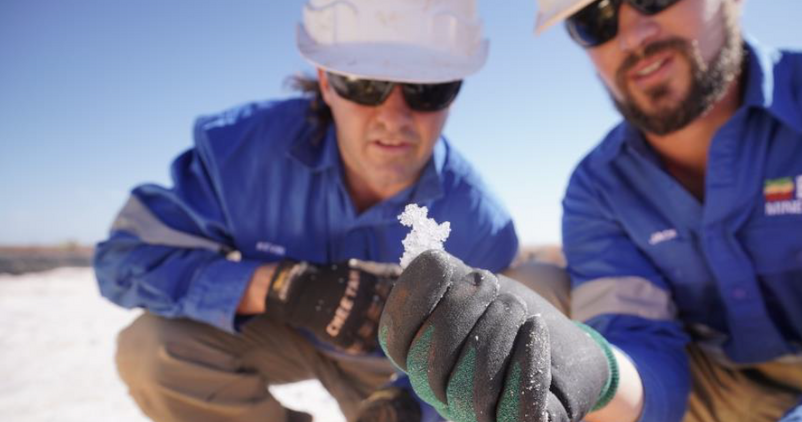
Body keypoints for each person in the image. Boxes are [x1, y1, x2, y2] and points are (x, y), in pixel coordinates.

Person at [379, 0, 802, 421]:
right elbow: (641, 341)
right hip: (706, 386)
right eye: (595, 19)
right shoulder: (598, 187)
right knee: (532, 296)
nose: (632, 34)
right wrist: (592, 372)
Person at [93, 1, 519, 421]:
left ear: (455, 90)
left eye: (427, 89)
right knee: (152, 350)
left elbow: (473, 360)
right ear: (326, 82)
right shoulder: (241, 153)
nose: (393, 117)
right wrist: (282, 288)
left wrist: (406, 406)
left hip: (392, 367)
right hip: (275, 331)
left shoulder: (483, 226)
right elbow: (124, 259)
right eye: (364, 83)